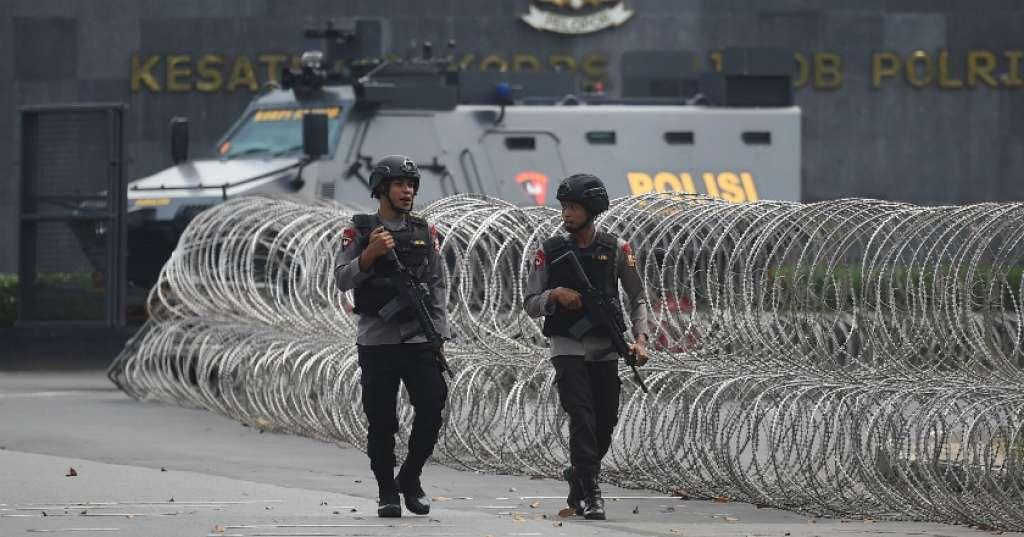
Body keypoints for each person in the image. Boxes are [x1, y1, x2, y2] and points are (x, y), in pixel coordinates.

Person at [523, 173, 650, 520]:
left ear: (592, 210)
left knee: (605, 420)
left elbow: (637, 296)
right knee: (581, 415)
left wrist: (639, 340)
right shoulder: (549, 252)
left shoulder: (617, 249)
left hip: (606, 345)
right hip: (567, 345)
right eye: (564, 206)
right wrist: (556, 295)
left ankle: (579, 476)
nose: (566, 213)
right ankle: (592, 493)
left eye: (574, 207)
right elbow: (531, 302)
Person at [335, 155, 449, 518]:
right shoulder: (359, 230)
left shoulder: (424, 231)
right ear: (382, 189)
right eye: (400, 184)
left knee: (432, 407)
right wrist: (368, 256)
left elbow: (437, 284)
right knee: (381, 420)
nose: (408, 190)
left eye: (412, 185)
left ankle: (410, 477)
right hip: (377, 341)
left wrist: (439, 333)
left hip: (418, 339)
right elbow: (341, 279)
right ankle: (387, 490)